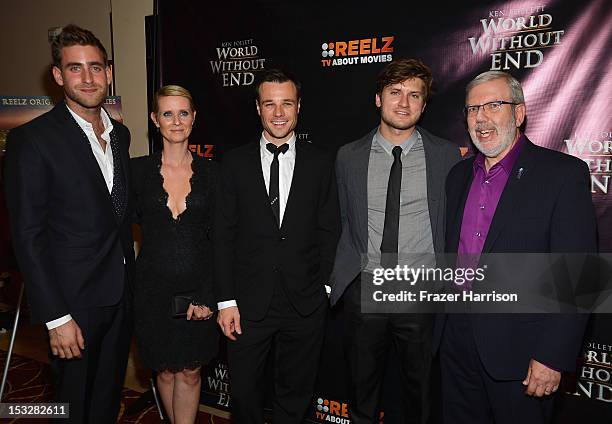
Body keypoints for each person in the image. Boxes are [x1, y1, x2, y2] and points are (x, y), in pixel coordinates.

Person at [435, 71, 597, 423]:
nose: (481, 117)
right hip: (455, 341)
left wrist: (553, 355)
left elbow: (580, 275)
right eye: (472, 108)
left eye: (494, 105)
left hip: (522, 351)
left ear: (519, 114)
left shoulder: (562, 174)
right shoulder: (458, 176)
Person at [4, 24, 133, 422]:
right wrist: (56, 316)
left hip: (120, 295)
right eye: (75, 68)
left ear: (108, 72)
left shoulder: (121, 135)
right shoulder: (33, 139)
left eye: (96, 67)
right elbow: (27, 235)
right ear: (58, 76)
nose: (88, 77)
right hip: (72, 303)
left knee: (106, 401)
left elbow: (116, 216)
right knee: (73, 407)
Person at [330, 58, 461, 423]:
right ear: (378, 99)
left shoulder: (446, 156)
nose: (404, 103)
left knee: (420, 398)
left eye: (414, 95)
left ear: (423, 104)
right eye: (395, 92)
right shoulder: (348, 157)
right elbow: (341, 222)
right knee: (361, 395)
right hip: (365, 290)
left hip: (420, 292)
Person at [214, 69, 340, 423]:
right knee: (244, 394)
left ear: (299, 106)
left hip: (305, 301)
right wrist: (225, 300)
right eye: (270, 104)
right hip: (248, 302)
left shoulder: (321, 162)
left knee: (296, 393)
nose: (279, 112)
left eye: (286, 103)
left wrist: (325, 288)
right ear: (258, 108)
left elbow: (331, 229)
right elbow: (222, 236)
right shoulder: (234, 163)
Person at [131, 85, 218, 424]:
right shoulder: (137, 172)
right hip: (152, 292)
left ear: (194, 119)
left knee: (192, 372)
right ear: (155, 119)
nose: (176, 121)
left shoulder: (213, 174)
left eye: (183, 113)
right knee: (165, 373)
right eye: (167, 113)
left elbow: (222, 241)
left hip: (198, 291)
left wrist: (209, 294)